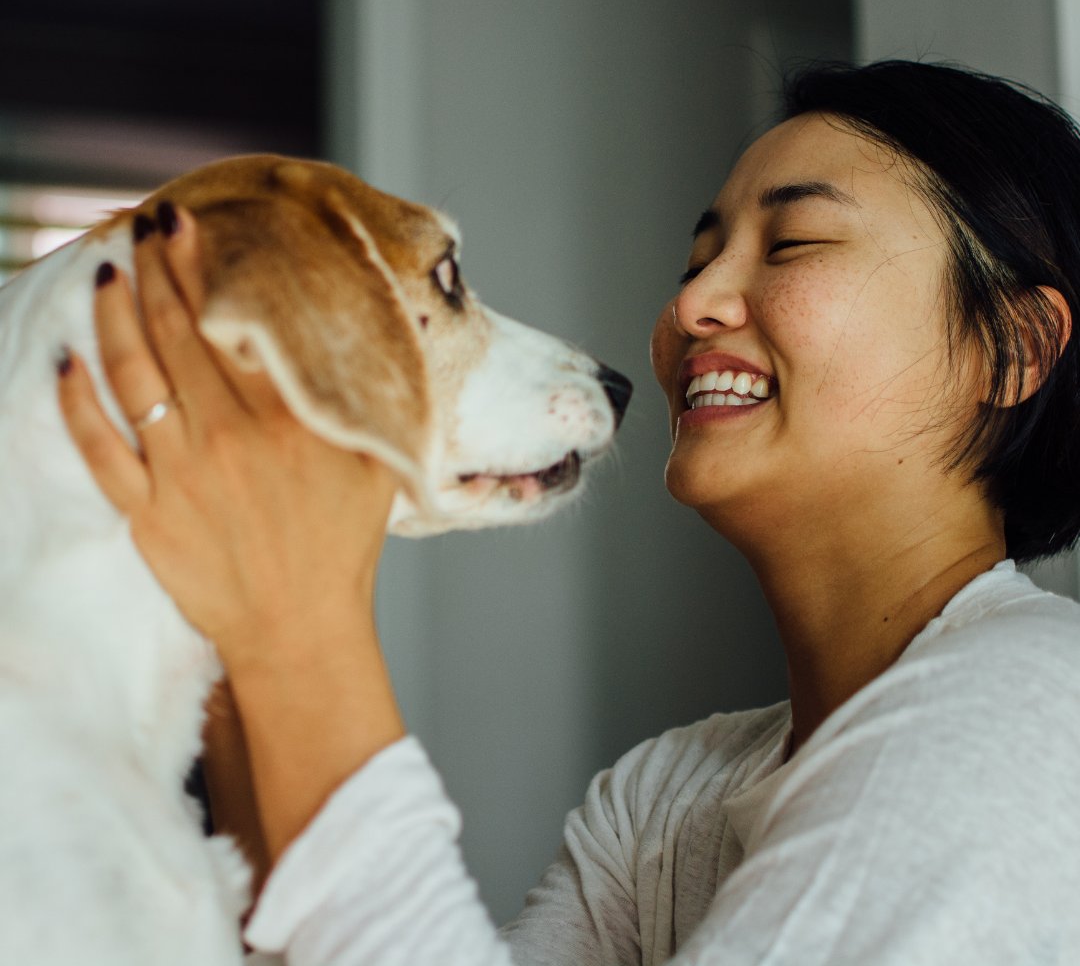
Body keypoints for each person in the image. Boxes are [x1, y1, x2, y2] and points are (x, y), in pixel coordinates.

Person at [57, 60, 1080, 964]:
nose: (691, 306)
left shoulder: (1035, 704)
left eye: (794, 243)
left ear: (1013, 349)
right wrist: (227, 609)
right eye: (695, 261)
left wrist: (293, 616)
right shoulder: (663, 798)